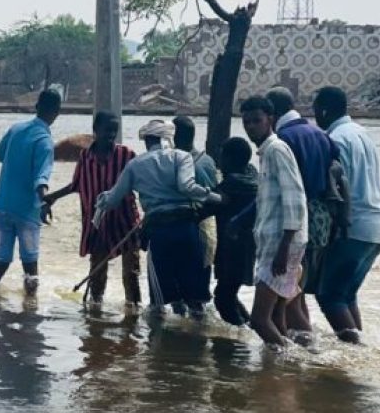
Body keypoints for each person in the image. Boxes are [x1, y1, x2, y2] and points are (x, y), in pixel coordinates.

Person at [96, 120, 220, 317]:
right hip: (187, 229)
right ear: (168, 138)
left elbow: (111, 200)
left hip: (159, 233)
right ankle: (198, 340)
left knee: (159, 302)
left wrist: (100, 204)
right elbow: (187, 187)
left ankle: (160, 344)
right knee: (195, 300)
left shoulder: (135, 165)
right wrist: (217, 198)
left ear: (146, 141)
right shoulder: (182, 156)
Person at [312, 87, 380, 342]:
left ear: (324, 110)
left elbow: (337, 189)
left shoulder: (334, 139)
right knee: (346, 295)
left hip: (353, 226)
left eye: (316, 111)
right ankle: (360, 346)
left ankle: (353, 353)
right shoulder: (361, 133)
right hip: (377, 226)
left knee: (329, 295)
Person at [43, 111, 142, 309]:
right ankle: (95, 317)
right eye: (107, 130)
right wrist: (51, 198)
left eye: (115, 131)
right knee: (97, 275)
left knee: (131, 275)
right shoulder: (85, 156)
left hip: (126, 223)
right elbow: (76, 185)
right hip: (97, 225)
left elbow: (142, 185)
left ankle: (134, 314)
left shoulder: (127, 155)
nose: (111, 135)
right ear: (95, 131)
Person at [268, 86, 339, 342]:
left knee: (289, 292)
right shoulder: (318, 133)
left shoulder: (283, 140)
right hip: (321, 217)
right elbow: (336, 166)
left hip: (298, 219)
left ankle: (305, 349)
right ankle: (302, 342)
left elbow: (289, 191)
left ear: (271, 113)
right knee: (298, 287)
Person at [241, 95, 309, 348]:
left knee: (259, 320)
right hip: (277, 243)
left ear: (270, 119)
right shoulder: (267, 152)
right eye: (246, 122)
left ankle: (289, 361)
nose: (250, 127)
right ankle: (283, 372)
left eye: (256, 121)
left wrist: (284, 247)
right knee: (277, 315)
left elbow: (295, 198)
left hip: (282, 244)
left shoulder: (276, 150)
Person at [0, 90, 62, 296]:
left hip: (2, 205)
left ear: (37, 107)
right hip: (27, 210)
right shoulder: (45, 141)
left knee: (1, 262)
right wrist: (45, 199)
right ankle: (30, 307)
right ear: (57, 113)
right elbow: (41, 179)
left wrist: (17, 162)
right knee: (30, 267)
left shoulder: (16, 129)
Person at [212, 137, 260, 326]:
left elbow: (207, 206)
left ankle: (244, 336)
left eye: (222, 158)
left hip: (233, 247)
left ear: (231, 160)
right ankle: (249, 327)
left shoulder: (232, 184)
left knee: (223, 298)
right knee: (229, 293)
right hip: (250, 246)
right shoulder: (253, 175)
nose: (220, 162)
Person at [173, 115, 219, 306]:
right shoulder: (208, 160)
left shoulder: (180, 163)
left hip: (189, 229)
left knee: (181, 290)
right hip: (209, 231)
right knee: (201, 289)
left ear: (174, 138)